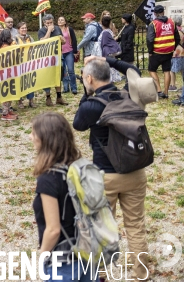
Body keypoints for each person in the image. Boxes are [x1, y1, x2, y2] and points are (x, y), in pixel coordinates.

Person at [73, 57, 153, 281]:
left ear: (89, 78)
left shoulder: (92, 105)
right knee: (136, 224)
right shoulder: (129, 94)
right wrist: (107, 60)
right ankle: (141, 273)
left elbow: (77, 124)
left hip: (105, 176)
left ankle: (100, 274)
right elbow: (133, 70)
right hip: (135, 172)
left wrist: (86, 93)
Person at [31, 112, 98, 282]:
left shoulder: (48, 179)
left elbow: (53, 230)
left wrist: (41, 256)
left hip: (63, 260)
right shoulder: (81, 167)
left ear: (45, 139)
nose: (30, 137)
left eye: (33, 133)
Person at [147, 5, 179, 98]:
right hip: (168, 52)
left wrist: (150, 51)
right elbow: (177, 37)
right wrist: (173, 47)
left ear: (155, 13)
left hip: (157, 52)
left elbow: (150, 39)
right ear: (163, 12)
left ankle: (159, 90)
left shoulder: (153, 24)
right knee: (167, 71)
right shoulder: (172, 22)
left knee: (152, 70)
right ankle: (166, 93)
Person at [38, 14, 67, 106]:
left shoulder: (58, 28)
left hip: (57, 56)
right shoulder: (41, 30)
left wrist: (62, 39)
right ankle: (48, 97)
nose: (50, 24)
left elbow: (64, 41)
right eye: (48, 23)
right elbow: (42, 41)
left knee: (58, 76)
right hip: (47, 57)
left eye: (51, 22)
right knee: (47, 77)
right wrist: (49, 31)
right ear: (44, 23)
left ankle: (59, 97)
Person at [0, 30, 18, 121]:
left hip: (4, 71)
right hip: (7, 72)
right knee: (7, 92)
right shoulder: (9, 46)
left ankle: (8, 110)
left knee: (8, 91)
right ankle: (5, 114)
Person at [14, 22, 36, 108]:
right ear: (18, 29)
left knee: (30, 81)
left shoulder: (30, 38)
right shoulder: (15, 38)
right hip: (19, 63)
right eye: (22, 28)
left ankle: (31, 100)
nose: (24, 29)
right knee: (20, 82)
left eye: (25, 28)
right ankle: (20, 101)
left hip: (29, 63)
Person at [57, 16, 78, 94]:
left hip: (69, 52)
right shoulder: (55, 30)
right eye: (59, 20)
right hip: (60, 53)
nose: (60, 21)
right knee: (63, 71)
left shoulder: (69, 29)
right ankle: (66, 88)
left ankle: (74, 88)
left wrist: (75, 51)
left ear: (65, 22)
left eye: (62, 20)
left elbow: (74, 40)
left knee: (70, 70)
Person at [169, 14, 184, 92]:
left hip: (176, 52)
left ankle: (173, 85)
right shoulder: (182, 29)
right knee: (182, 70)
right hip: (183, 51)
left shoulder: (174, 30)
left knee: (172, 69)